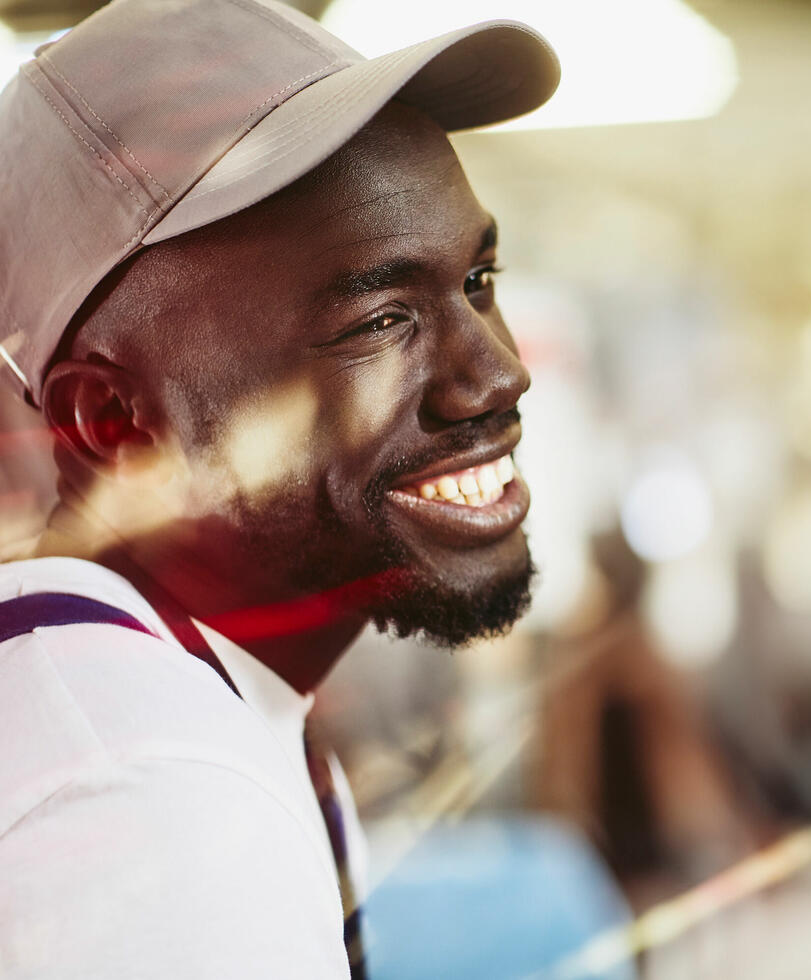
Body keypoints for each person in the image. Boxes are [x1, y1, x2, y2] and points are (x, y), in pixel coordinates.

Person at [0, 0, 559, 976]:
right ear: (117, 425)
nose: (497, 375)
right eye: (381, 320)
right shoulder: (148, 796)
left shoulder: (159, 701)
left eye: (478, 279)